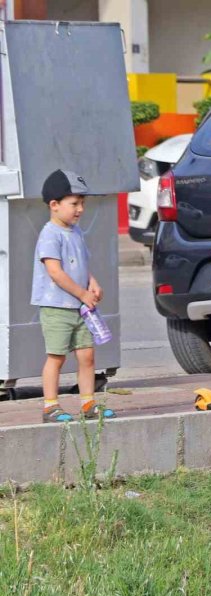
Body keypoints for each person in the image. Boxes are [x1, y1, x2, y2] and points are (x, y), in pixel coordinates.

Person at [31, 169, 116, 423]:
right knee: (56, 356)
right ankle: (50, 406)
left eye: (82, 204)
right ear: (54, 205)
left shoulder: (76, 232)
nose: (80, 209)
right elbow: (55, 272)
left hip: (80, 306)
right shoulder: (49, 234)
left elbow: (80, 264)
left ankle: (88, 403)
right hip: (57, 306)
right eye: (74, 204)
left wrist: (92, 282)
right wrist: (81, 293)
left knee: (87, 355)